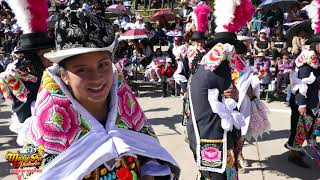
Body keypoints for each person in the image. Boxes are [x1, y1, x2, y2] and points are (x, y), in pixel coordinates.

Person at [17, 10, 180, 179]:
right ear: (64, 76)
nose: (96, 78)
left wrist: (149, 174)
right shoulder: (43, 125)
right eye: (81, 69)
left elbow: (150, 153)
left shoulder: (126, 109)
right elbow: (26, 174)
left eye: (103, 65)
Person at [187, 1, 255, 179]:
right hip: (215, 138)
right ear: (227, 48)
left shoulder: (208, 66)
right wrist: (239, 135)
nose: (235, 55)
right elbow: (230, 108)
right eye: (233, 49)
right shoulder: (219, 68)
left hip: (203, 135)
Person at [1, 0, 54, 133]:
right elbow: (24, 116)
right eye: (45, 54)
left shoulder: (44, 70)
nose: (51, 57)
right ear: (33, 57)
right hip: (35, 133)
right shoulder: (21, 79)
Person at [285, 1, 320, 167]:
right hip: (302, 101)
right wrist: (301, 103)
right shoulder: (308, 57)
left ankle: (296, 151)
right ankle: (293, 153)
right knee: (299, 128)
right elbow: (300, 81)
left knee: (302, 128)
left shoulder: (314, 56)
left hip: (308, 99)